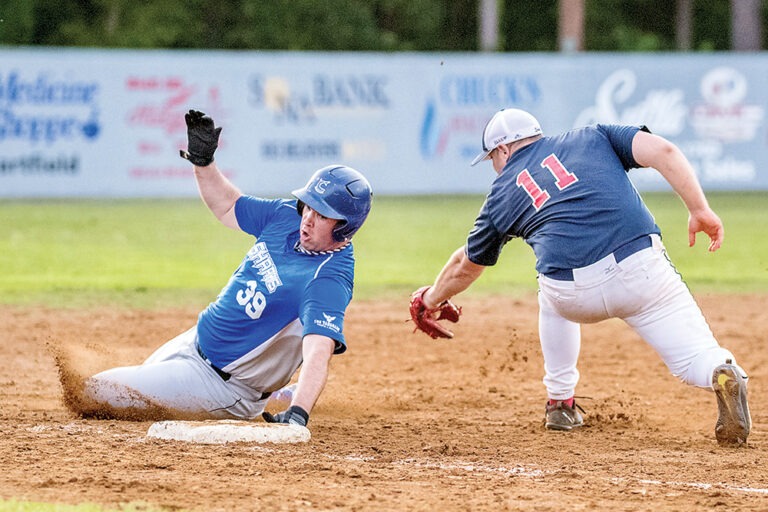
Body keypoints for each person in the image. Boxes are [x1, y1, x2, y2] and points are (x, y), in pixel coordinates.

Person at [410, 108, 751, 446]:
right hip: (641, 271)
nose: (495, 168)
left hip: (573, 293)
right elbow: (664, 151)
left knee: (550, 296)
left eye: (492, 159)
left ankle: (560, 403)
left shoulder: (501, 193)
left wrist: (430, 300)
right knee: (695, 356)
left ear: (503, 149)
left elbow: (466, 265)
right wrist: (699, 209)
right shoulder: (594, 136)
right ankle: (718, 371)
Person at [78, 110, 372, 427]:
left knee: (92, 393)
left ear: (345, 227)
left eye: (322, 215)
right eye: (309, 206)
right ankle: (278, 394)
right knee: (125, 385)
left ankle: (278, 398)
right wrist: (204, 165)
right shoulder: (286, 216)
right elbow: (229, 205)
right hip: (193, 343)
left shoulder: (326, 278)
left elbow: (318, 350)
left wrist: (298, 414)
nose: (308, 219)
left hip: (220, 386)